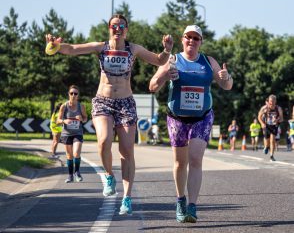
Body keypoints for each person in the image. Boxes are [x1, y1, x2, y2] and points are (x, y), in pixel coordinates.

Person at [46, 14, 173, 215]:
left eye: (122, 25)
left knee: (126, 151)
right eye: (114, 25)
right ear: (109, 28)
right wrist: (55, 45)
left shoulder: (134, 49)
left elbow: (159, 60)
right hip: (103, 101)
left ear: (127, 29)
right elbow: (73, 49)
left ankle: (127, 198)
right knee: (104, 141)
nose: (118, 28)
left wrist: (167, 49)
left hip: (125, 103)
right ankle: (109, 176)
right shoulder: (101, 47)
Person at [149, 25, 233, 223]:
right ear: (182, 39)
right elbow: (152, 86)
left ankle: (193, 206)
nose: (192, 41)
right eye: (189, 37)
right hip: (177, 118)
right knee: (180, 162)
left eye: (196, 38)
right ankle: (180, 200)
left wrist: (226, 77)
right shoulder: (173, 60)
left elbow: (227, 86)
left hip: (202, 117)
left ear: (200, 42)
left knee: (195, 159)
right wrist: (164, 75)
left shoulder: (207, 61)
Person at [57, 85, 87, 183]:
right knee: (69, 156)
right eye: (71, 93)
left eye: (75, 93)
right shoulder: (64, 106)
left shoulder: (81, 106)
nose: (73, 95)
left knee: (76, 153)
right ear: (68, 94)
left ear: (78, 95)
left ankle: (77, 172)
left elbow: (86, 118)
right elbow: (58, 120)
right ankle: (70, 176)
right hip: (66, 134)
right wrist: (64, 121)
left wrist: (81, 119)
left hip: (78, 133)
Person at [258, 94, 283, 161]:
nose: (271, 103)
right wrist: (262, 123)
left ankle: (271, 156)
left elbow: (281, 118)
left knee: (273, 140)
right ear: (268, 101)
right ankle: (266, 146)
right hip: (266, 125)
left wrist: (277, 120)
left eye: (273, 101)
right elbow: (259, 117)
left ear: (275, 101)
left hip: (274, 126)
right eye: (270, 101)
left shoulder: (278, 108)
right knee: (267, 140)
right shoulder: (264, 108)